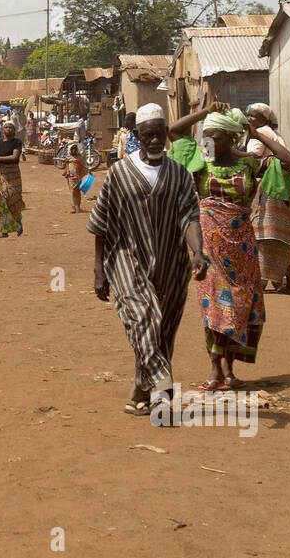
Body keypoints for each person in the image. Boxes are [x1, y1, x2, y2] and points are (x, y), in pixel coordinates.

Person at [88, 102, 207, 415]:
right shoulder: (119, 174)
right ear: (137, 136)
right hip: (126, 258)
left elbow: (189, 216)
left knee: (162, 328)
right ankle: (163, 390)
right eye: (147, 135)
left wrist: (197, 251)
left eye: (159, 134)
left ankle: (141, 389)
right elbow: (101, 222)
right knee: (144, 318)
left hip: (171, 262)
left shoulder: (179, 174)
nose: (154, 140)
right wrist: (99, 269)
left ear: (166, 135)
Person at [167, 103, 290, 389]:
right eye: (206, 136)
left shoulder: (249, 162)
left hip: (242, 248)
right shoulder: (199, 162)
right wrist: (206, 111)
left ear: (231, 137)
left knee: (240, 305)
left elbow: (288, 161)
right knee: (212, 305)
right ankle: (214, 368)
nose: (208, 142)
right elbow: (174, 130)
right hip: (208, 245)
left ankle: (229, 369)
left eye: (215, 136)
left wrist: (258, 134)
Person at [246, 104, 290, 293]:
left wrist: (233, 155)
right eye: (248, 115)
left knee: (262, 232)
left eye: (254, 116)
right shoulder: (272, 132)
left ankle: (261, 281)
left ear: (264, 119)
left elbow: (253, 156)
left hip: (273, 184)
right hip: (288, 182)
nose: (249, 119)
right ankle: (287, 281)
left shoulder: (260, 132)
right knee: (282, 236)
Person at [0, 118, 24, 236]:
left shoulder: (17, 142)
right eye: (6, 127)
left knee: (14, 200)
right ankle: (4, 230)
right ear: (3, 130)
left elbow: (14, 157)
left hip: (13, 175)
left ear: (14, 131)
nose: (8, 129)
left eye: (10, 127)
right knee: (2, 201)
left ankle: (18, 223)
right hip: (2, 175)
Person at [63, 142, 88, 214]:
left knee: (77, 192)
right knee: (73, 192)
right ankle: (74, 207)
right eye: (72, 149)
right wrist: (66, 172)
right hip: (71, 177)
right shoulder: (68, 158)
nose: (74, 150)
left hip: (79, 177)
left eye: (75, 149)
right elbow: (66, 166)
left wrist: (88, 172)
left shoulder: (79, 157)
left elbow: (84, 166)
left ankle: (78, 207)